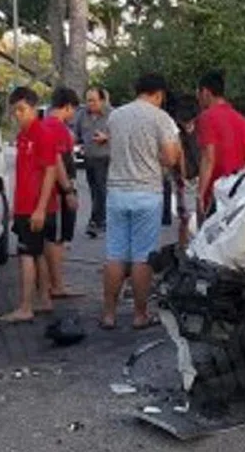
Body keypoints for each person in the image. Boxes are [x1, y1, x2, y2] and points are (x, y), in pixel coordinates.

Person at [101, 73, 181, 330]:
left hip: (116, 192)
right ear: (158, 94)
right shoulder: (161, 118)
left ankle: (109, 315)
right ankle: (139, 314)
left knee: (115, 255)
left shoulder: (116, 116)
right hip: (147, 193)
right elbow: (170, 158)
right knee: (142, 257)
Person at [2, 86, 59, 323]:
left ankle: (25, 306)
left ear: (34, 108)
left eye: (22, 110)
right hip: (25, 204)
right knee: (37, 254)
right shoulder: (23, 135)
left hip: (36, 206)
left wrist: (40, 208)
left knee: (26, 255)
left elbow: (50, 171)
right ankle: (44, 299)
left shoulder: (42, 134)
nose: (18, 115)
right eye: (15, 111)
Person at [195, 70, 245, 224]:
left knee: (208, 243)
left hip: (216, 193)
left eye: (198, 93)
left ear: (206, 92)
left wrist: (200, 194)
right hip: (238, 192)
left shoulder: (206, 117)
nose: (198, 98)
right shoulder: (241, 119)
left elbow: (208, 157)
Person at [40, 86, 82, 299]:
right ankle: (57, 285)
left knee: (49, 240)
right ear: (67, 107)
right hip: (56, 193)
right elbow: (58, 163)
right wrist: (68, 190)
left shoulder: (44, 125)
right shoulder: (58, 129)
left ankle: (48, 284)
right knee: (57, 240)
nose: (74, 114)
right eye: (73, 109)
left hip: (46, 192)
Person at [76, 87, 111, 238]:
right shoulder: (82, 114)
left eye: (93, 100)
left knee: (101, 189)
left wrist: (107, 137)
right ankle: (100, 219)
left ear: (102, 101)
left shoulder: (113, 114)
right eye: (88, 100)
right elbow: (76, 134)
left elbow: (122, 134)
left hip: (106, 157)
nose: (90, 104)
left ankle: (96, 221)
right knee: (94, 190)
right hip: (89, 158)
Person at [173, 95, 201, 248]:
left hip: (199, 174)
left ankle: (193, 247)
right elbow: (179, 156)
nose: (187, 126)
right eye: (184, 123)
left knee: (195, 215)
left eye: (190, 122)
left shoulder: (202, 127)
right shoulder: (176, 131)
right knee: (185, 216)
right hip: (185, 178)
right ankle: (183, 248)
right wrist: (182, 176)